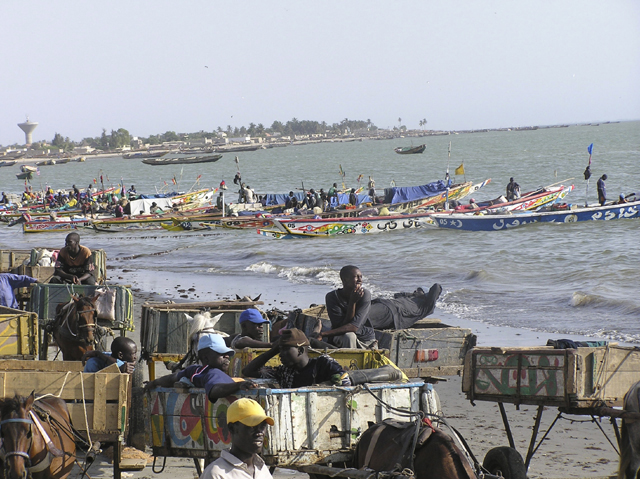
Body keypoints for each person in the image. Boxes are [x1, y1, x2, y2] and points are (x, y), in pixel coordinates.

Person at [144, 333, 257, 402]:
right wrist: (238, 385)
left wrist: (154, 383)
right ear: (206, 358)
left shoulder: (194, 370)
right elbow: (214, 390)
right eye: (221, 353)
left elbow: (172, 378)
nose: (227, 356)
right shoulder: (212, 373)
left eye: (227, 353)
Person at [242, 328, 351, 387]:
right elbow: (248, 371)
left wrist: (314, 388)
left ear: (300, 350)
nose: (280, 354)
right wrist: (273, 350)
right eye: (280, 351)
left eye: (285, 349)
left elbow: (344, 381)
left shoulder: (324, 364)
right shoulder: (285, 372)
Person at [199, 398, 274, 479]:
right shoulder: (217, 474)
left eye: (263, 426)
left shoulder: (262, 470)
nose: (260, 432)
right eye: (252, 426)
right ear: (232, 428)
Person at [321, 265, 377, 349]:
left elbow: (353, 327)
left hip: (365, 338)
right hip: (342, 336)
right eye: (356, 277)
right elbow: (340, 326)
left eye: (361, 277)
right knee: (349, 336)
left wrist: (323, 334)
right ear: (345, 280)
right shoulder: (332, 297)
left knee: (351, 334)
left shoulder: (365, 295)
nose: (360, 280)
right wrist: (352, 302)